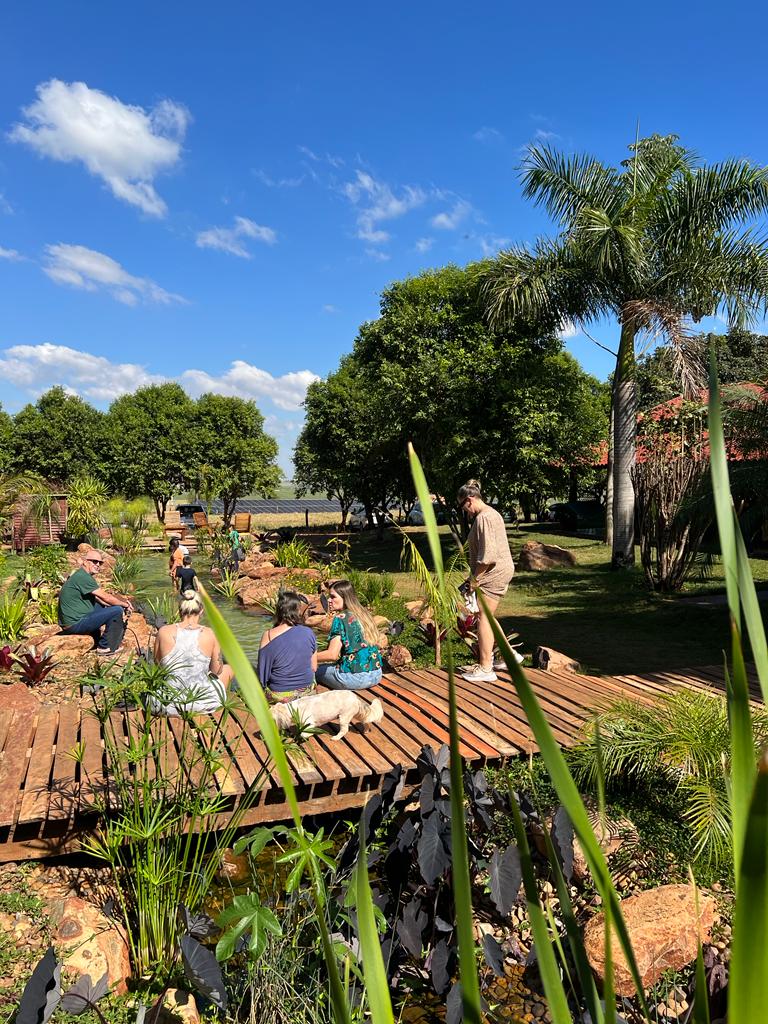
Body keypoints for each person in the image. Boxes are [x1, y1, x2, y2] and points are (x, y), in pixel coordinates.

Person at [457, 479, 521, 683]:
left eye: (462, 506)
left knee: (483, 617)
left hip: (493, 572)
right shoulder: (492, 514)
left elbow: (488, 556)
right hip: (497, 571)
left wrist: (475, 578)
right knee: (488, 616)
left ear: (469, 500)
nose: (464, 512)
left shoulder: (484, 517)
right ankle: (509, 656)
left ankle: (486, 668)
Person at [151, 589, 234, 714]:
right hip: (201, 704)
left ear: (179, 610)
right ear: (201, 610)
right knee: (229, 669)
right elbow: (217, 671)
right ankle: (221, 708)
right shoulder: (210, 633)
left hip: (167, 704)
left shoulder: (163, 631)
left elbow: (157, 664)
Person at [58, 548, 134, 655]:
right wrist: (124, 604)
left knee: (101, 605)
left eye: (100, 562)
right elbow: (106, 597)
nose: (98, 564)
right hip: (74, 624)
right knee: (116, 610)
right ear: (85, 562)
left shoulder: (82, 575)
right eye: (94, 561)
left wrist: (119, 603)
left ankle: (96, 638)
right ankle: (105, 646)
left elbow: (102, 600)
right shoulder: (83, 577)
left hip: (72, 621)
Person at [315, 579, 382, 690]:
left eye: (333, 597)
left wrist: (308, 657)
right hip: (376, 674)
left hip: (356, 679)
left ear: (345, 598)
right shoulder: (364, 614)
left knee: (317, 670)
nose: (329, 600)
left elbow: (332, 655)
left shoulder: (340, 618)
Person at [257, 590, 317, 702]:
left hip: (281, 695)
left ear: (278, 610)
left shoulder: (269, 635)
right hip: (307, 691)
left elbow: (262, 675)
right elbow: (314, 667)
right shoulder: (309, 632)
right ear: (298, 610)